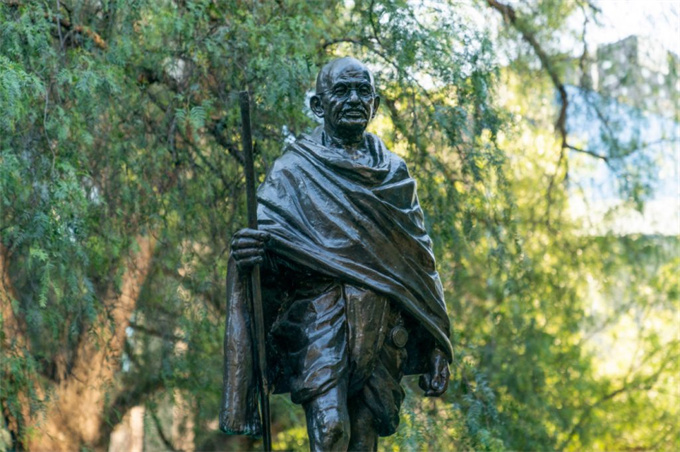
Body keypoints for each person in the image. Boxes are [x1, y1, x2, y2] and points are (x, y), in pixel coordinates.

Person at [220, 57, 453, 451]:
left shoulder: (395, 176)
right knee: (330, 431)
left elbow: (420, 267)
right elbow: (272, 248)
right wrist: (250, 251)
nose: (354, 99)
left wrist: (436, 343)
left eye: (364, 91)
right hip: (319, 314)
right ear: (318, 105)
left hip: (384, 320)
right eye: (342, 91)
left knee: (364, 438)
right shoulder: (292, 171)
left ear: (375, 104)